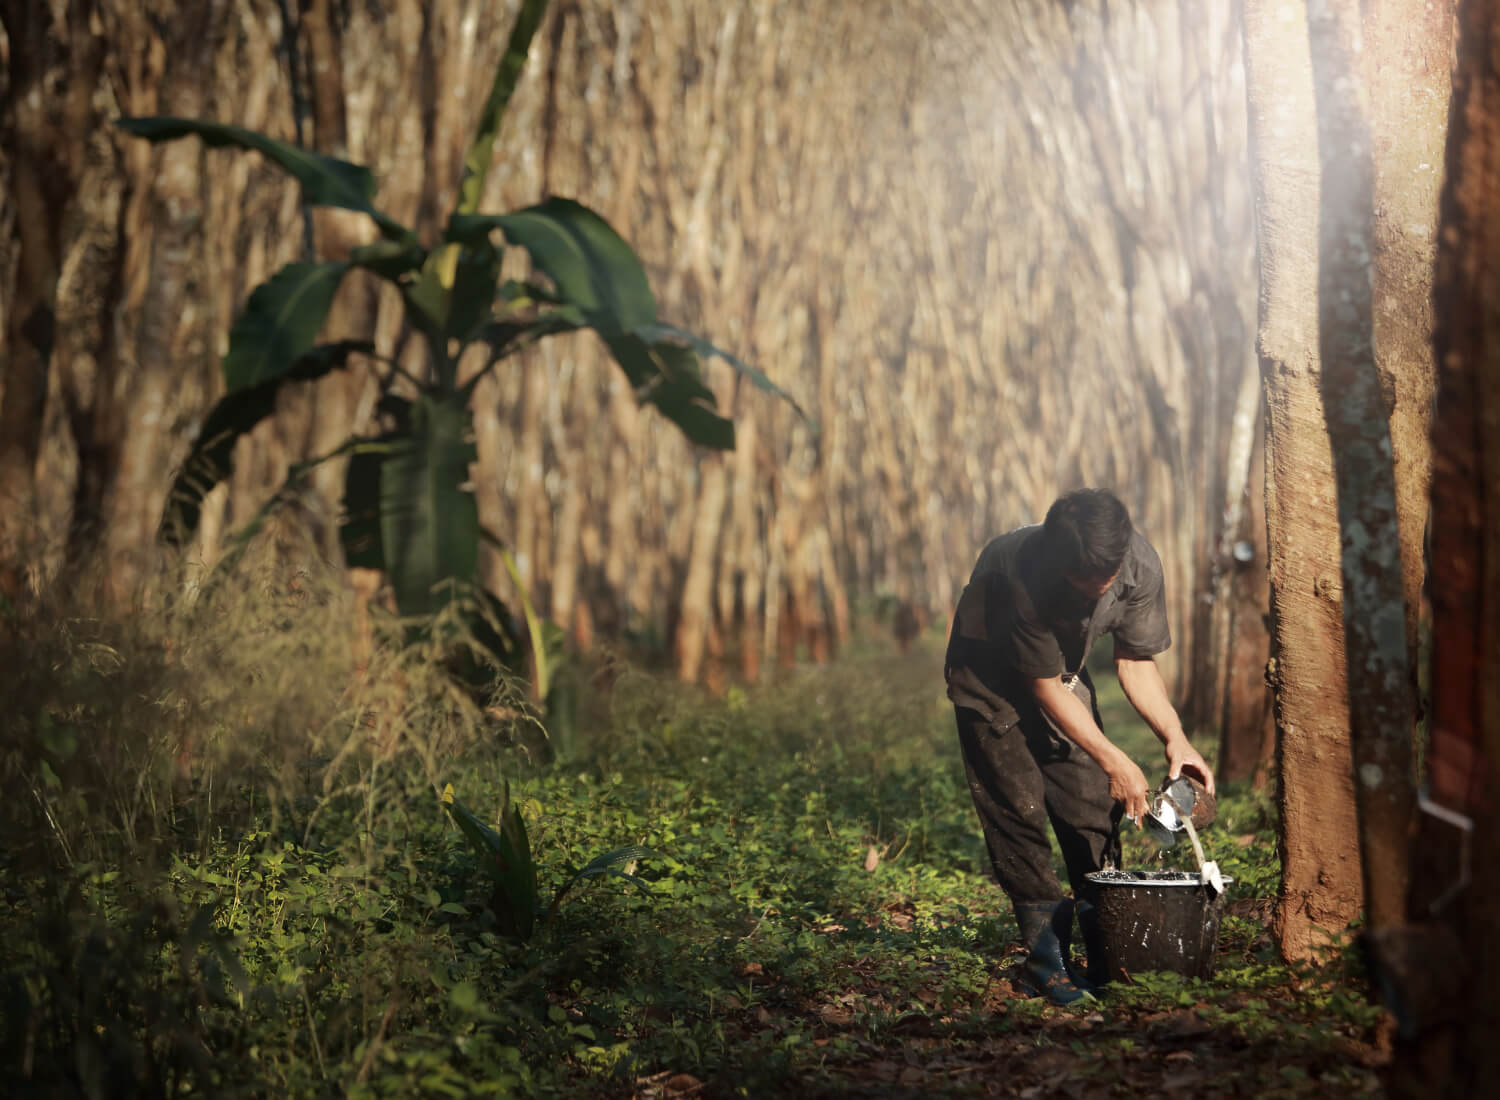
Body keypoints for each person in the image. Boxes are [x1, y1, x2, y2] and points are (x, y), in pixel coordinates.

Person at [944, 488, 1215, 1005]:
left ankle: (1105, 946)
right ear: (1057, 559)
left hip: (1060, 672)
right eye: (1084, 580)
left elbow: (1134, 661)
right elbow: (1039, 685)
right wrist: (1115, 756)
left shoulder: (1138, 564)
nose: (1099, 587)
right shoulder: (1018, 571)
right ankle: (1045, 963)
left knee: (1091, 803)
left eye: (1107, 577)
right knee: (1017, 807)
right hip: (987, 680)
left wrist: (1175, 739)